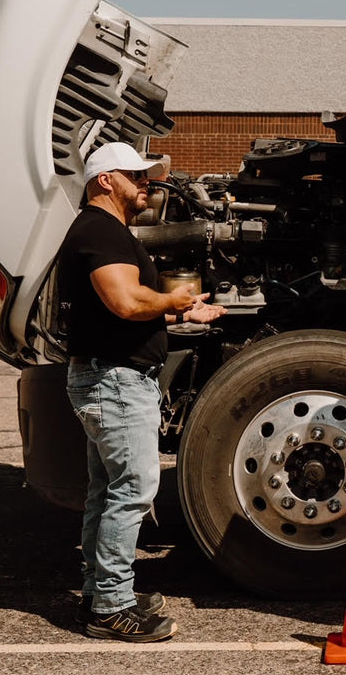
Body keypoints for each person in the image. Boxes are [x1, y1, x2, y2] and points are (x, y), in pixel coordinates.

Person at [57, 141, 224, 642]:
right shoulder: (100, 230)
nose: (146, 182)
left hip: (111, 376)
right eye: (136, 175)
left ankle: (99, 591)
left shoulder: (105, 230)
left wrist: (177, 310)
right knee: (132, 491)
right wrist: (170, 300)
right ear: (105, 180)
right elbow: (126, 302)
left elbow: (133, 304)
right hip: (115, 381)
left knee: (107, 491)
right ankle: (111, 606)